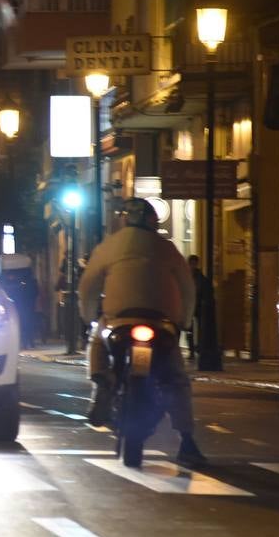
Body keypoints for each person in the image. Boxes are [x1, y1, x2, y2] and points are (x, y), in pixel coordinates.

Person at [78, 198, 206, 466]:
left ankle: (101, 381)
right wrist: (183, 321)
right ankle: (187, 441)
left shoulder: (108, 246)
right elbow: (187, 288)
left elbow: (88, 286)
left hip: (118, 324)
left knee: (97, 342)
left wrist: (89, 316)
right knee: (176, 380)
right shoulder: (168, 249)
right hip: (162, 325)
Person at [186, 254, 212, 361]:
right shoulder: (187, 276)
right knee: (189, 329)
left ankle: (199, 349)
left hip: (197, 305)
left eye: (194, 263)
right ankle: (192, 350)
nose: (193, 266)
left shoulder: (199, 277)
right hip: (190, 305)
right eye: (191, 263)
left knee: (200, 328)